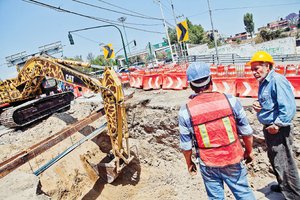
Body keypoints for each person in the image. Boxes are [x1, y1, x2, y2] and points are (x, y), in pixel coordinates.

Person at [179, 62, 255, 200]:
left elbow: (186, 146)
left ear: (191, 85)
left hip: (208, 163)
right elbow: (246, 131)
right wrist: (249, 151)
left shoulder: (185, 111)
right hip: (233, 158)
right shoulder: (230, 100)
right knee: (244, 194)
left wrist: (189, 163)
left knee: (215, 198)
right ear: (211, 80)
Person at [250, 51, 300, 199]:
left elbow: (289, 107)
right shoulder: (265, 82)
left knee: (284, 163)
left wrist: (277, 125)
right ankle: (284, 185)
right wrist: (260, 106)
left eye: (257, 68)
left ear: (267, 66)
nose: (254, 72)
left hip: (278, 129)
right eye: (252, 69)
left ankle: (294, 195)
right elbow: (272, 103)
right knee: (276, 160)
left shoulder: (277, 80)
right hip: (271, 128)